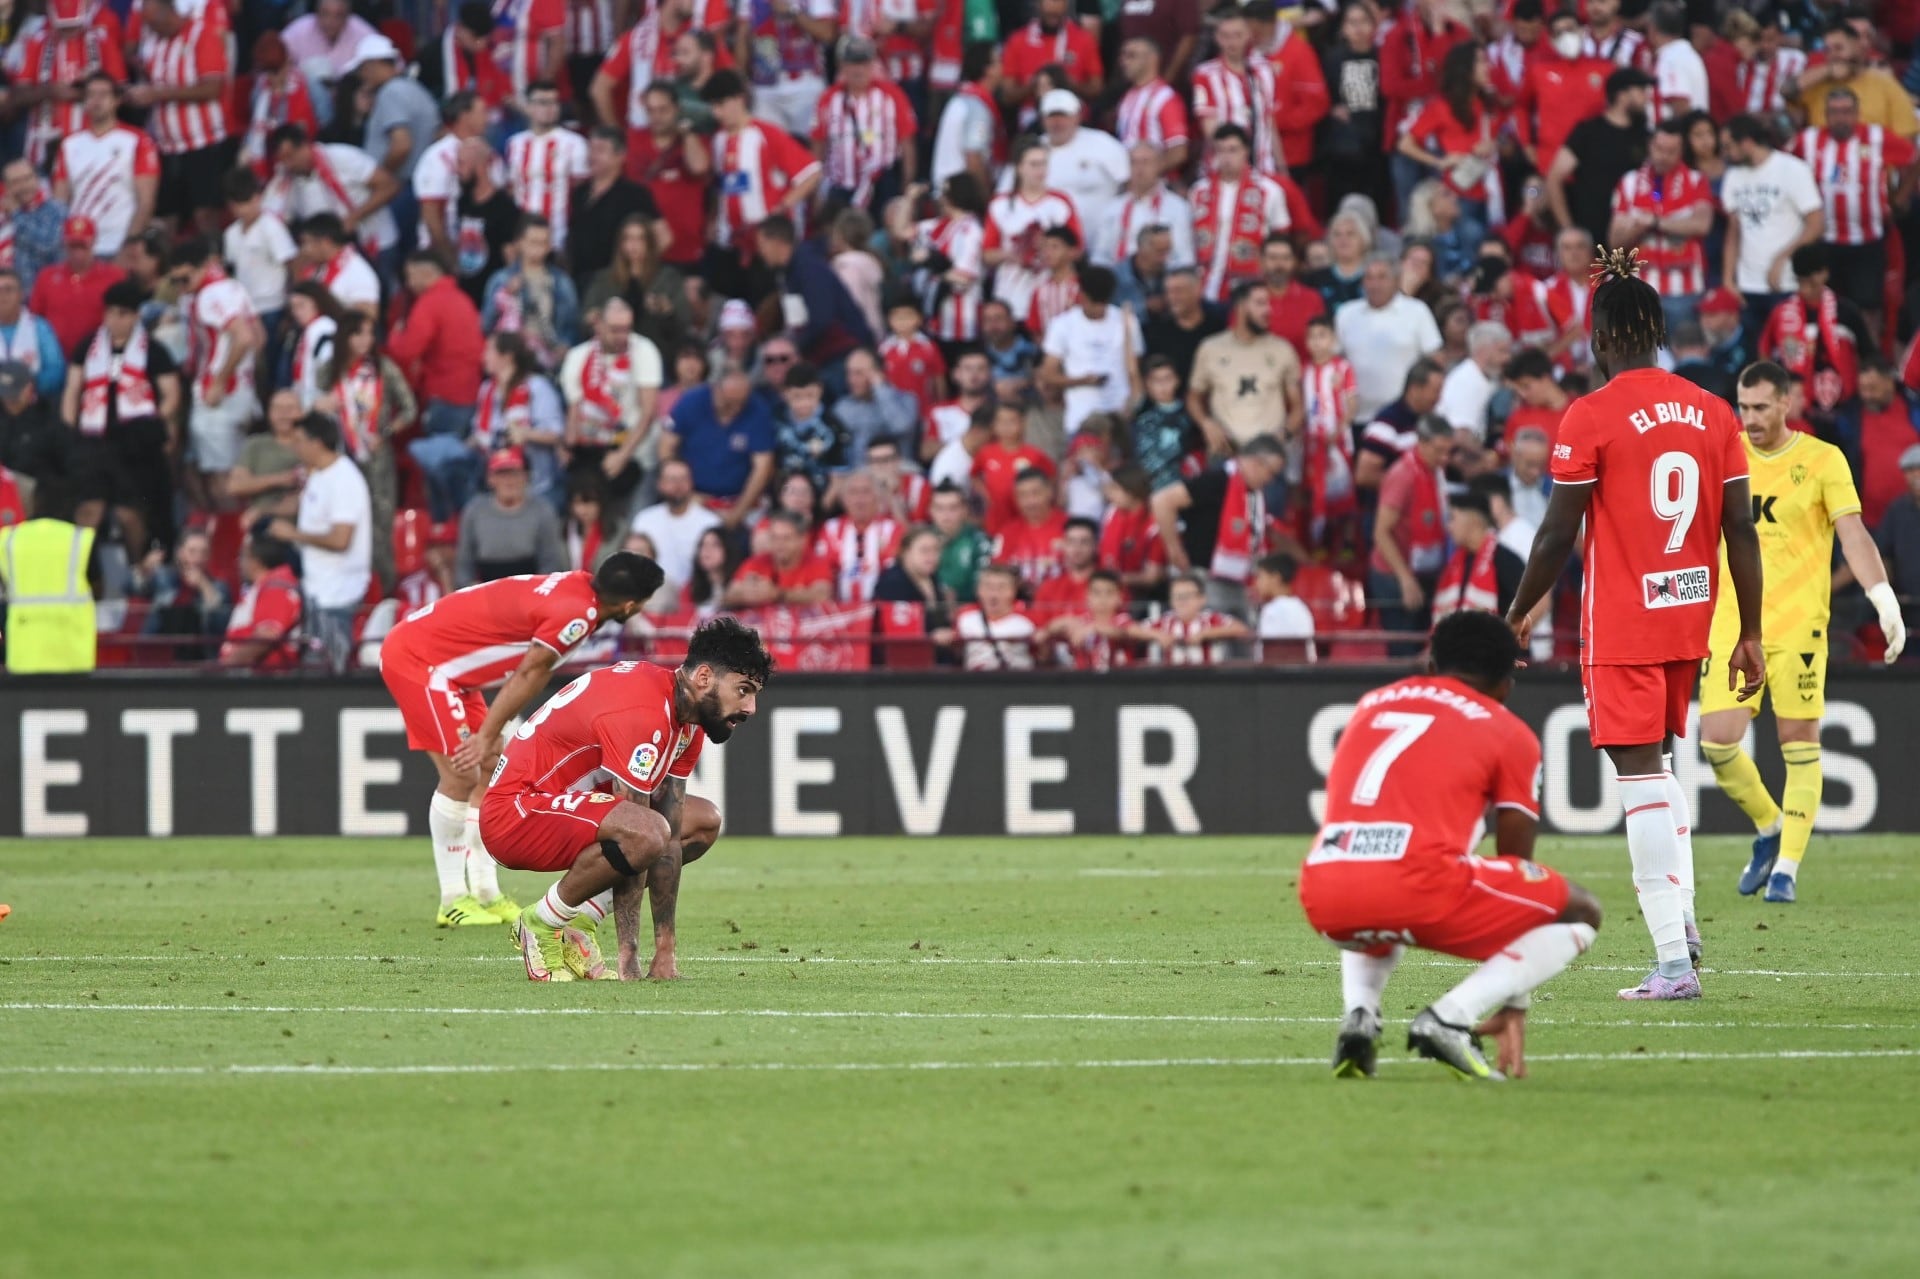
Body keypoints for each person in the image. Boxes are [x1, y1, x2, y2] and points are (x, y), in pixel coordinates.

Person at [1505, 246, 1765, 1002]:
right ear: (1655, 331)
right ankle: (1681, 922)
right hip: (1692, 615)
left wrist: (1518, 611)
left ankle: (1674, 964)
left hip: (1623, 623)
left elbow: (1556, 534)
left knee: (1640, 777)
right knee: (1660, 768)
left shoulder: (1589, 415)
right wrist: (1747, 631)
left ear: (1602, 338)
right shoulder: (1715, 411)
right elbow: (1740, 529)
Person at [1299, 610, 1603, 1081]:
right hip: (1417, 887)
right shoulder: (1508, 731)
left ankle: (1360, 1014)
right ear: (1506, 684)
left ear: (1431, 662)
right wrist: (1514, 997)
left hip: (1324, 891)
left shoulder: (1371, 703)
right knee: (1582, 911)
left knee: (1379, 897)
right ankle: (1451, 1018)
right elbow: (1515, 865)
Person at [1698, 361, 1906, 905]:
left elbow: (1854, 533)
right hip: (1730, 623)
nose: (1751, 419)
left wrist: (1882, 598)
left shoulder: (1821, 460)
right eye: (1743, 408)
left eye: (1761, 407)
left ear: (1787, 403)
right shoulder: (1726, 456)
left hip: (1798, 629)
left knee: (1799, 743)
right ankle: (1769, 828)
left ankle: (1787, 867)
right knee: (1716, 741)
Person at [379, 549, 661, 927]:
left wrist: (489, 735)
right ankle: (451, 898)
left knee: (489, 768)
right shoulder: (576, 615)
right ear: (629, 605)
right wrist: (485, 735)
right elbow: (531, 672)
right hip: (419, 660)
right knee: (462, 773)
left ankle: (484, 892)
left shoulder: (578, 589)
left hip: (451, 670)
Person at [486, 618, 768, 981]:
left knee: (701, 823)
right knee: (645, 831)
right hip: (516, 812)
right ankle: (542, 921)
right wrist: (629, 958)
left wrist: (665, 953)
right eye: (743, 690)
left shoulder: (687, 722)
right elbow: (640, 831)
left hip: (563, 803)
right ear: (703, 678)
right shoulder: (643, 711)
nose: (750, 708)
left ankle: (582, 920)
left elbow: (669, 838)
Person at [63, 281, 181, 559]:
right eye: (110, 313)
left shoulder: (154, 351)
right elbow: (72, 391)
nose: (115, 320)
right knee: (89, 509)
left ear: (136, 316)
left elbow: (171, 395)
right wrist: (70, 430)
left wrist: (152, 423)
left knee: (131, 513)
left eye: (123, 314)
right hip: (94, 439)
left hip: (136, 444)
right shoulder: (87, 347)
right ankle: (83, 568)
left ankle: (136, 564)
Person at [1790, 89, 1916, 330]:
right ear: (1825, 115)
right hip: (1825, 239)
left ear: (1857, 113)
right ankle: (1830, 353)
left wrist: (1900, 196)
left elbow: (1913, 157)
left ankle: (1868, 358)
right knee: (1825, 302)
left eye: (1847, 112)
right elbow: (1786, 167)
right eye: (1834, 112)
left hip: (1867, 239)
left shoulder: (1877, 137)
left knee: (1869, 304)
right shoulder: (1808, 140)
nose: (1841, 118)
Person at [267, 413, 372, 672]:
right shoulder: (319, 475)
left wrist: (292, 535)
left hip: (339, 594)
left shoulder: (344, 479)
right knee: (313, 668)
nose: (295, 446)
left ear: (317, 443)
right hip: (317, 590)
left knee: (331, 672)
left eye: (300, 440)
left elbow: (340, 539)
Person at [1151, 434, 1294, 617]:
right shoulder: (1218, 480)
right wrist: (1174, 548)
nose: (1271, 480)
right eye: (1271, 472)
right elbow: (1162, 501)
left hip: (1238, 579)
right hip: (1205, 577)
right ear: (1256, 462)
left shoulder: (1252, 493)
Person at [131, 0, 234, 238]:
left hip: (202, 141)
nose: (150, 29)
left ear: (170, 14)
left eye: (154, 23)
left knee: (205, 213)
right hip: (167, 144)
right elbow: (153, 79)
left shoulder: (202, 35)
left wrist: (158, 93)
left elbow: (213, 88)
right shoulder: (154, 41)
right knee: (168, 214)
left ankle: (212, 261)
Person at [1722, 114, 1825, 343]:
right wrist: (1729, 279)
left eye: (1729, 146)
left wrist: (1782, 258)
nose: (1725, 153)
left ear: (1747, 142)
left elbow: (1816, 223)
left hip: (1786, 282)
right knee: (1755, 354)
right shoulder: (1733, 176)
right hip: (1748, 287)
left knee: (1789, 350)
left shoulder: (1792, 169)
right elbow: (1734, 231)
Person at [173, 238, 262, 504]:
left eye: (185, 279)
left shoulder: (211, 294)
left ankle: (226, 538)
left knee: (220, 477)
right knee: (234, 471)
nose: (181, 288)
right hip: (241, 387)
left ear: (202, 268)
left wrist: (220, 381)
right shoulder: (235, 287)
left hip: (219, 393)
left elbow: (244, 337)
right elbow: (259, 337)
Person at [1608, 120, 1715, 334]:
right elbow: (1614, 241)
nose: (1663, 156)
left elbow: (1702, 225)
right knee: (1641, 357)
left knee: (1685, 356)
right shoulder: (1628, 183)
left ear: (1682, 151)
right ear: (1650, 146)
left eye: (1671, 151)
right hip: (1639, 289)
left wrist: (1655, 222)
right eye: (1659, 149)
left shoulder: (1696, 181)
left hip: (1685, 289)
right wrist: (1639, 228)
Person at [1368, 413, 1453, 654]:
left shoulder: (1435, 471)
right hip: (1395, 574)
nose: (1445, 458)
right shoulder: (1402, 475)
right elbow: (1381, 532)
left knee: (1423, 644)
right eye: (1439, 451)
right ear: (1421, 444)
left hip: (1422, 569)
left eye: (1449, 451)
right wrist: (1405, 579)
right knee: (1404, 649)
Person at [51, 74, 158, 263]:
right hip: (80, 245)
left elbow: (146, 201)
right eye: (90, 95)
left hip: (119, 242)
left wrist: (130, 244)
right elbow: (60, 202)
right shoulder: (69, 144)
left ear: (117, 100)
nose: (96, 101)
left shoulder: (138, 140)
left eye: (103, 95)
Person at [262, 123, 400, 270]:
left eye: (290, 157)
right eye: (282, 160)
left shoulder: (342, 157)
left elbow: (390, 186)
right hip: (332, 255)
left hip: (375, 243)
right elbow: (274, 217)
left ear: (304, 146)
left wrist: (354, 217)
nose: (288, 164)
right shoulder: (286, 179)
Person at [1546, 68, 1652, 258]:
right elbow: (1554, 177)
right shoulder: (1588, 132)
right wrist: (1568, 229)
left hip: (1632, 242)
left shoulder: (1645, 138)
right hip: (1590, 241)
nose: (1647, 98)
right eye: (1641, 91)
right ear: (1621, 95)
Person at [386, 252, 485, 451]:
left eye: (410, 275)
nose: (409, 283)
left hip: (443, 395)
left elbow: (406, 351)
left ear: (426, 274)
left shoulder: (429, 304)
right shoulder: (463, 299)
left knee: (438, 463)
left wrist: (395, 337)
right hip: (470, 392)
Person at [983, 138, 1082, 325]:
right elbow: (987, 253)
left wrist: (1048, 253)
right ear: (1019, 167)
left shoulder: (1060, 202)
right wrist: (1015, 254)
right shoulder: (1000, 204)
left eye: (1044, 164)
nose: (1041, 170)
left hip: (1052, 297)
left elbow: (1076, 248)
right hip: (1010, 295)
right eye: (1034, 164)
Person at [662, 370, 776, 531]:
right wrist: (683, 491)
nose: (736, 409)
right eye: (729, 403)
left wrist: (737, 514)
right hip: (693, 496)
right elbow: (666, 447)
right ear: (715, 390)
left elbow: (763, 468)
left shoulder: (758, 410)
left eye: (740, 403)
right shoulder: (692, 401)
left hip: (739, 501)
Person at [1189, 125, 1289, 305]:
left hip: (1248, 287)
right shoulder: (1198, 191)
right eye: (1220, 150)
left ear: (1246, 151)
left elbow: (1280, 238)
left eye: (1233, 150)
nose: (1226, 157)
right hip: (1201, 287)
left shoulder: (1270, 191)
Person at [1039, 266, 1141, 441]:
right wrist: (1083, 380)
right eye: (1095, 304)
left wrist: (1133, 404)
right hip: (1080, 420)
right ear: (1083, 296)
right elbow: (1048, 375)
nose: (1098, 309)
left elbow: (1135, 370)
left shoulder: (1126, 321)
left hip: (1119, 417)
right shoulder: (1063, 325)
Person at [1335, 256, 1442, 421]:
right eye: (1369, 278)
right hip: (1355, 416)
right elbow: (1335, 361)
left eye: (1382, 277)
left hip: (1404, 416)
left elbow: (1435, 360)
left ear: (1396, 280)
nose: (1374, 284)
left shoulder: (1417, 311)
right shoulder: (1346, 313)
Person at [481, 215, 581, 371]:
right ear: (519, 243)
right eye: (533, 242)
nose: (538, 248)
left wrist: (565, 346)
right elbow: (486, 325)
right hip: (510, 363)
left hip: (548, 363)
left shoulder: (561, 282)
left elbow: (572, 325)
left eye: (543, 243)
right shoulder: (501, 279)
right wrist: (505, 294)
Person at [1432, 491, 1526, 620]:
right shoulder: (1456, 564)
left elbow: (1540, 602)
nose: (1449, 527)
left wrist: (1507, 634)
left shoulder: (1505, 560)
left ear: (1473, 520)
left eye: (1452, 518)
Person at [219, 533, 303, 669]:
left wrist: (224, 667)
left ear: (255, 561)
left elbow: (266, 636)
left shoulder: (276, 588)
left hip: (264, 681)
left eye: (242, 556)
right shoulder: (263, 587)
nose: (238, 562)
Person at [1130, 571, 1251, 665]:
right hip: (1171, 682)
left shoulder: (1211, 619)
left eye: (1187, 596)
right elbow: (1132, 630)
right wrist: (1157, 635)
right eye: (1177, 596)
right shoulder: (1164, 622)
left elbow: (1242, 629)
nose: (1182, 602)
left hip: (1208, 680)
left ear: (1202, 599)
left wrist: (1206, 634)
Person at [726, 508, 832, 607]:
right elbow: (728, 596)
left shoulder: (816, 562)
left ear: (802, 540)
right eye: (775, 538)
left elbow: (823, 596)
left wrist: (778, 595)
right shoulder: (755, 562)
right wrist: (746, 595)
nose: (779, 544)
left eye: (786, 538)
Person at [952, 563, 1037, 670]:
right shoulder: (964, 617)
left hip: (1017, 680)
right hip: (976, 681)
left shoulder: (1029, 619)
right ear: (978, 590)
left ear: (1013, 591)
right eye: (988, 587)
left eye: (1001, 587)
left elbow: (1042, 654)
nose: (994, 594)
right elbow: (955, 649)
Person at [1254, 553, 1315, 663]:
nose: (1257, 583)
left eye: (1260, 576)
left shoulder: (1272, 610)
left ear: (1276, 578)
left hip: (1281, 677)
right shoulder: (1302, 607)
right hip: (1303, 675)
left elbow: (1271, 656)